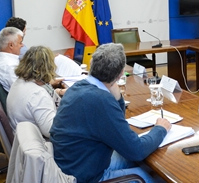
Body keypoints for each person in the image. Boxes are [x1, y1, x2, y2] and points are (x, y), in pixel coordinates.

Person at [50, 43, 171, 183]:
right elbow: (136, 150)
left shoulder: (78, 87)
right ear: (120, 74)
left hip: (76, 164)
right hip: (86, 176)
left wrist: (118, 97)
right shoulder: (99, 99)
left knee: (142, 163)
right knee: (151, 177)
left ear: (92, 65)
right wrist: (161, 129)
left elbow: (115, 124)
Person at [7, 46, 60, 137]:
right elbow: (51, 131)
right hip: (40, 143)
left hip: (22, 138)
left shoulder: (19, 82)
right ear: (48, 68)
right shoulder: (38, 94)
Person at [0, 27, 24, 92]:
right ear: (11, 45)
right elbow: (22, 92)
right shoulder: (9, 66)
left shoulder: (2, 59)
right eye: (20, 43)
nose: (22, 45)